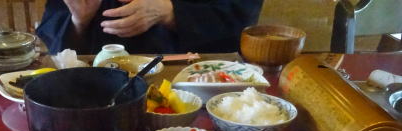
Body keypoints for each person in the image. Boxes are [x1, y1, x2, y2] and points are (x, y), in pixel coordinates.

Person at [37, 0, 264, 55]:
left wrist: (171, 12)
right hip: (97, 85)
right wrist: (79, 21)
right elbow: (57, 37)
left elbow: (240, 14)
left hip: (192, 78)